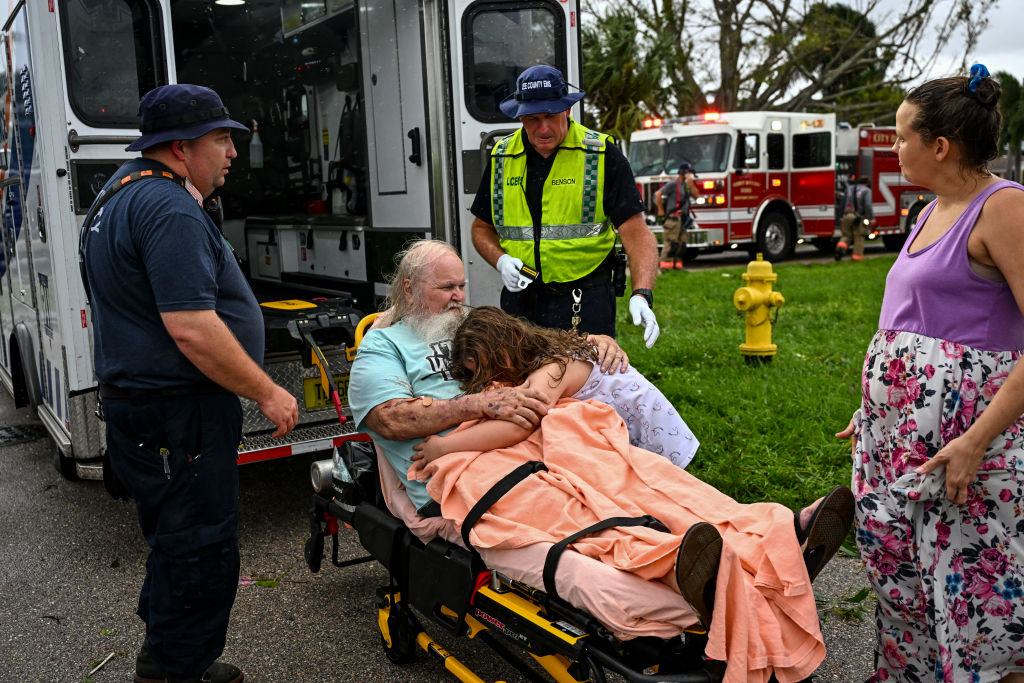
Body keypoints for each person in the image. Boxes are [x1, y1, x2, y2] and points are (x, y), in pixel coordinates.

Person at [350, 239, 854, 682]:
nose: (459, 297)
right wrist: (476, 405)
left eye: (462, 285)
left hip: (541, 428)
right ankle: (675, 568)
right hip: (469, 464)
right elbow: (390, 419)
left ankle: (777, 532)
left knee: (640, 477)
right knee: (572, 511)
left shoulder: (474, 327)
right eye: (447, 288)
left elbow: (539, 350)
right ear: (412, 288)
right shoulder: (383, 346)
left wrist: (593, 344)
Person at [83, 84, 299, 683]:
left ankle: (175, 660)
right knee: (199, 550)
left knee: (176, 542)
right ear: (181, 148)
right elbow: (193, 329)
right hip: (179, 415)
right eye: (221, 139)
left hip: (145, 411)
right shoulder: (170, 209)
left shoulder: (115, 196)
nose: (232, 152)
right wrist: (266, 389)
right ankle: (174, 673)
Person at [837, 64, 1024, 682]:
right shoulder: (930, 210)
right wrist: (875, 409)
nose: (893, 148)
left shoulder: (1003, 209)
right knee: (905, 587)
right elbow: (909, 323)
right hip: (899, 443)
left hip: (969, 445)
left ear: (939, 146)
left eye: (899, 136)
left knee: (975, 597)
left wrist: (974, 442)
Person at [469, 65, 661, 348]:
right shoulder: (502, 155)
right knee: (524, 385)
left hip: (585, 300)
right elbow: (481, 228)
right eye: (533, 119)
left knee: (585, 387)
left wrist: (641, 294)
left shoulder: (600, 153)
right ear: (520, 116)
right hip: (521, 302)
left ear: (568, 111)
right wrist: (501, 260)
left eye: (551, 116)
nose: (543, 128)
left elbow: (637, 232)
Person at [415, 305, 699, 468]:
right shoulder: (544, 349)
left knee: (667, 488)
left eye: (494, 368)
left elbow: (519, 425)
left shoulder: (551, 370)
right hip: (644, 422)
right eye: (482, 376)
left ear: (509, 343)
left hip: (655, 434)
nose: (493, 379)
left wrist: (444, 446)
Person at [655, 162, 700, 270]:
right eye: (688, 172)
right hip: (673, 219)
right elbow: (658, 194)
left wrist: (691, 183)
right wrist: (661, 210)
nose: (690, 174)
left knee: (681, 244)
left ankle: (677, 266)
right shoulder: (673, 184)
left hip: (683, 219)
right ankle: (665, 267)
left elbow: (697, 196)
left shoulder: (687, 185)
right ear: (683, 172)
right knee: (671, 242)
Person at [835, 176, 875, 261]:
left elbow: (842, 203)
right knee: (859, 236)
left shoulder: (849, 188)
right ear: (867, 183)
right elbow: (867, 205)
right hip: (858, 217)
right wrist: (871, 218)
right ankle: (857, 257)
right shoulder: (866, 190)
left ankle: (840, 248)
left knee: (846, 235)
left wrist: (841, 217)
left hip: (846, 216)